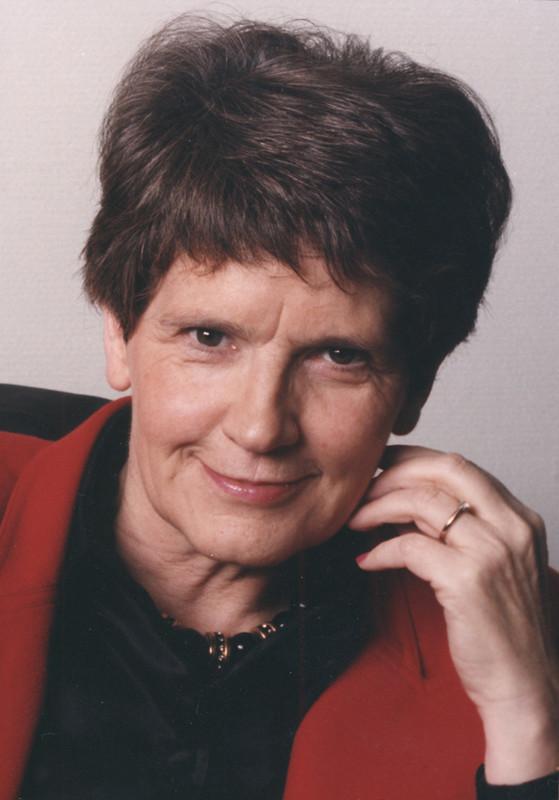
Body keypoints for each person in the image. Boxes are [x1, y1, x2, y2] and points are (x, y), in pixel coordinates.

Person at [0, 15, 557, 800]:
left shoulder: (522, 628)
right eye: (209, 337)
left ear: (415, 386)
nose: (260, 427)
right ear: (120, 334)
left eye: (339, 357)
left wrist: (526, 719)